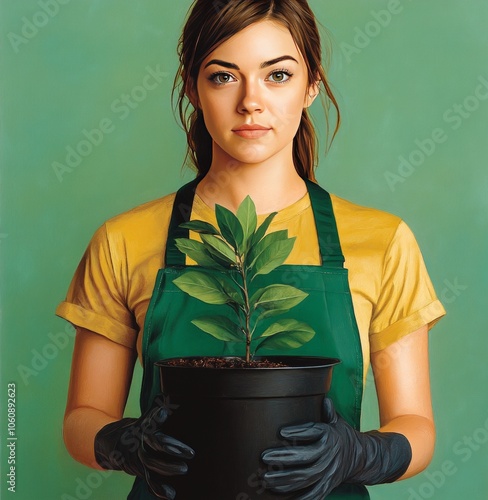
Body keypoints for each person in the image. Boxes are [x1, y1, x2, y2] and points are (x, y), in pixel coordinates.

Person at [57, 1, 446, 499]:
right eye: (223, 77)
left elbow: (416, 425)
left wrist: (360, 453)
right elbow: (81, 421)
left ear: (312, 85)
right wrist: (125, 443)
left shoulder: (383, 241)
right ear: (193, 87)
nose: (250, 102)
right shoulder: (123, 240)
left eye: (277, 75)